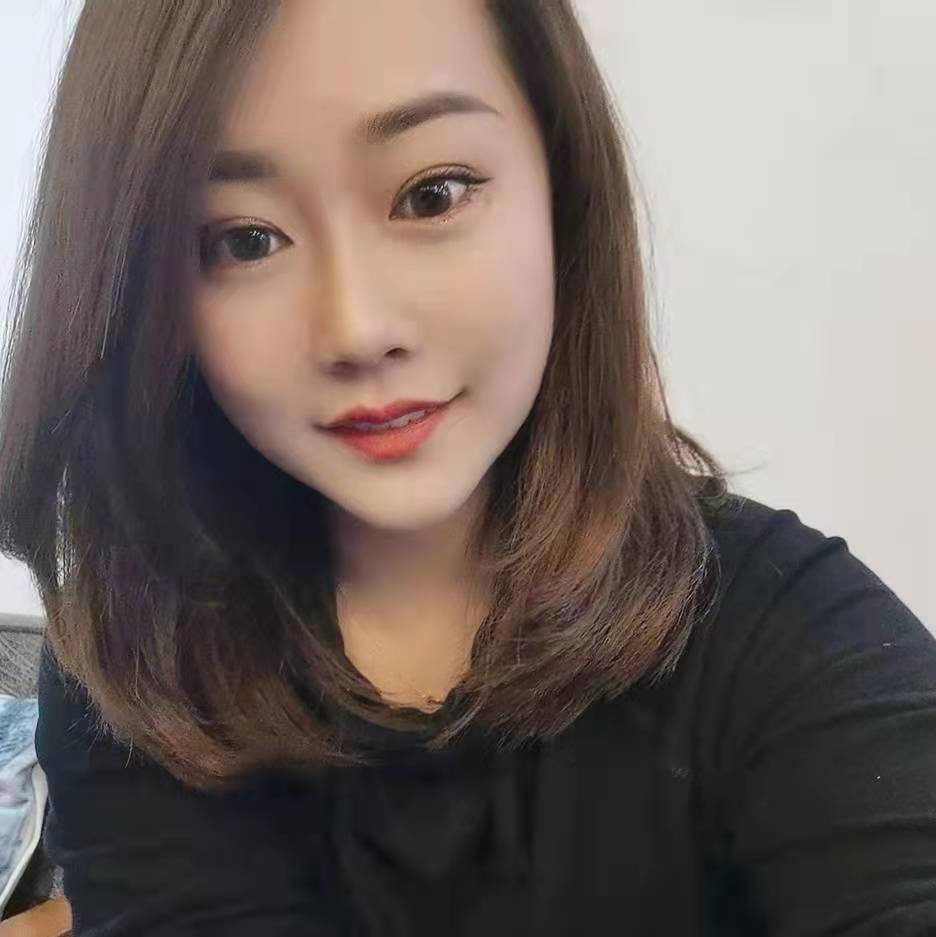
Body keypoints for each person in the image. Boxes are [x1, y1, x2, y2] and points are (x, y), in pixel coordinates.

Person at [0, 1, 932, 934]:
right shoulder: (140, 656)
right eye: (245, 240)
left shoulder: (785, 637)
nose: (358, 328)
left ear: (560, 182)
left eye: (432, 194)